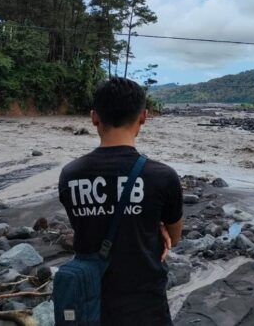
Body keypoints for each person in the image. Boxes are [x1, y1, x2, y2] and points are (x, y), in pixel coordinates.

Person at [58, 77, 183, 325]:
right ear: (144, 117)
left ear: (94, 117)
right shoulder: (162, 176)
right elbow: (174, 238)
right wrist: (154, 225)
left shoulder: (70, 174)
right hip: (146, 305)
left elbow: (83, 226)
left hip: (89, 301)